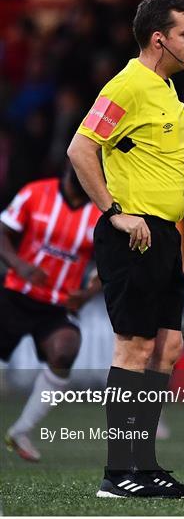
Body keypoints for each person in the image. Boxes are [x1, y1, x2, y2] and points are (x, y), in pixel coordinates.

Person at [68, 0, 184, 499]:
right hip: (133, 235)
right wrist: (115, 212)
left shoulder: (167, 88)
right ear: (160, 39)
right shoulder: (128, 85)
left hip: (165, 234)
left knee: (168, 347)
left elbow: (148, 152)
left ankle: (145, 466)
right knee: (133, 348)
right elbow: (80, 147)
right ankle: (116, 473)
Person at [1, 165, 101, 461]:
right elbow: (2, 232)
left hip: (57, 304)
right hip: (16, 293)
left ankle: (20, 431)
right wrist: (18, 265)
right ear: (71, 169)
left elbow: (111, 266)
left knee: (65, 350)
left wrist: (87, 294)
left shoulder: (101, 214)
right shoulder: (36, 192)